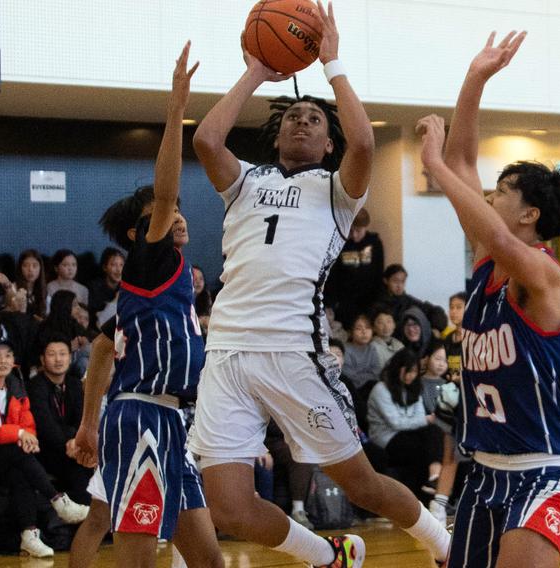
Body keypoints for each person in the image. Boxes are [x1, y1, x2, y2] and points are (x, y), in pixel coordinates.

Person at [189, 4, 449, 566]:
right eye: (292, 116)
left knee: (361, 483)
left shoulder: (336, 192)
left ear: (327, 142)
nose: (302, 121)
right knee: (229, 507)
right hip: (228, 353)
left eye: (315, 119)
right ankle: (329, 556)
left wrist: (332, 62)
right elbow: (208, 142)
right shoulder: (245, 183)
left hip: (293, 353)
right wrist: (257, 71)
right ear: (277, 132)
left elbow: (364, 146)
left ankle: (444, 545)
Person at [417, 29, 560, 567]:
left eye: (501, 192)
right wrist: (476, 78)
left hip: (546, 471)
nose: (487, 196)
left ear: (530, 214)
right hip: (485, 468)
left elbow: (477, 209)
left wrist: (436, 168)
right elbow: (463, 159)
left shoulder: (541, 274)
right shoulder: (488, 265)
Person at [72, 42, 224, 568]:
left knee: (210, 560)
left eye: (179, 209)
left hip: (170, 423)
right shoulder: (149, 260)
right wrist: (177, 110)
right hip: (141, 417)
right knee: (137, 559)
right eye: (165, 210)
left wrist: (89, 423)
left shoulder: (153, 287)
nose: (176, 212)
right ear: (142, 232)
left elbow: (98, 349)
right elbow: (163, 191)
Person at [0, 337, 90, 557]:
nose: (3, 361)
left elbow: (28, 424)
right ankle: (58, 501)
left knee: (21, 471)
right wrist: (18, 434)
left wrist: (29, 438)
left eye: (8, 355)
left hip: (9, 458)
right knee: (18, 452)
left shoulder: (15, 387)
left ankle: (30, 535)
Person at [366, 348, 444, 498]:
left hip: (408, 433)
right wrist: (425, 419)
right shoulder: (380, 389)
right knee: (421, 447)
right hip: (386, 438)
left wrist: (424, 420)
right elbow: (396, 423)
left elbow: (419, 416)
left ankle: (434, 478)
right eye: (407, 370)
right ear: (397, 368)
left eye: (414, 371)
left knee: (435, 431)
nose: (410, 375)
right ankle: (426, 493)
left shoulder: (413, 388)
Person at [28, 336, 92, 504]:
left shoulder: (75, 384)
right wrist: (69, 442)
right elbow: (44, 425)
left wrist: (75, 441)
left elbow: (82, 418)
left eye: (63, 354)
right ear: (42, 359)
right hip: (47, 449)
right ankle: (84, 518)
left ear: (70, 358)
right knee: (78, 467)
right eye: (52, 354)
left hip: (74, 446)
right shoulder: (36, 386)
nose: (58, 359)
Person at [325, 207, 384, 326]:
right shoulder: (340, 242)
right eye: (351, 230)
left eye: (358, 231)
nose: (354, 235)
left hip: (369, 301)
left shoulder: (374, 242)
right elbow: (333, 275)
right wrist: (331, 303)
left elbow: (378, 273)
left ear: (366, 227)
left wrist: (377, 301)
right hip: (344, 302)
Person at [377, 264, 448, 334]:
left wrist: (437, 328)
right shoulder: (378, 304)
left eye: (402, 281)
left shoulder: (410, 301)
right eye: (395, 281)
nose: (399, 285)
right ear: (386, 280)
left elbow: (436, 311)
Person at [342, 313, 381, 392]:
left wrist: (362, 376)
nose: (364, 332)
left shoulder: (371, 348)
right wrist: (369, 376)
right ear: (351, 332)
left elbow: (376, 373)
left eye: (368, 327)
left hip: (372, 388)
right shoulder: (345, 349)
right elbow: (350, 377)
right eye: (358, 328)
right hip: (352, 391)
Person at [87, 247, 124, 328]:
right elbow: (96, 318)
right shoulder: (95, 287)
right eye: (113, 265)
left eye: (121, 265)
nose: (119, 270)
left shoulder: (126, 287)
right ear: (105, 267)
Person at [14, 249, 49, 319]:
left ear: (40, 268)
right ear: (20, 268)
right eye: (25, 265)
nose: (30, 269)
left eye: (35, 266)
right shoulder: (13, 288)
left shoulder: (45, 290)